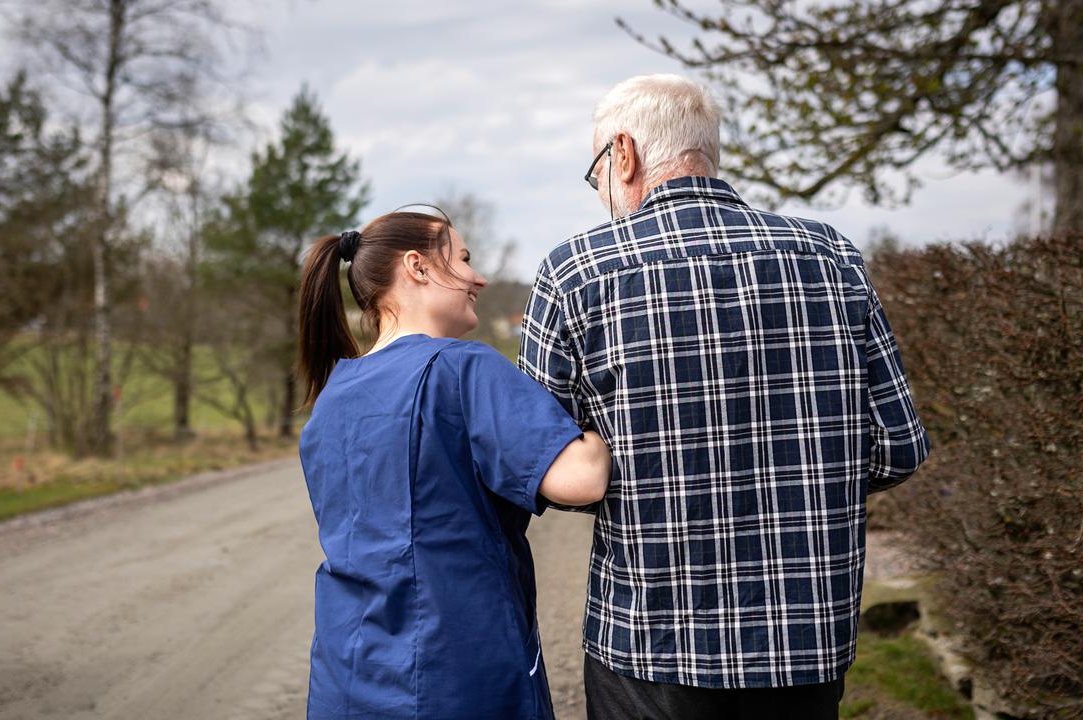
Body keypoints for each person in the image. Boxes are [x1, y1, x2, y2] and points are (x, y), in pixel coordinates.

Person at [519, 74, 930, 719]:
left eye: (596, 173)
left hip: (650, 639)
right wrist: (804, 483)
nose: (601, 193)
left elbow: (543, 469)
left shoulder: (577, 273)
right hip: (808, 637)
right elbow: (899, 448)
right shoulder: (833, 257)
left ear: (622, 154)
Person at [296, 210, 612, 720]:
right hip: (456, 675)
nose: (478, 277)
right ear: (417, 267)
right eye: (463, 258)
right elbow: (582, 478)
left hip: (347, 677)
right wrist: (601, 428)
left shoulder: (334, 394)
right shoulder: (463, 366)